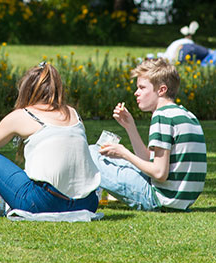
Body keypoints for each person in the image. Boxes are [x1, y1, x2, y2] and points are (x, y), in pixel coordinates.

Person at [0, 62, 101, 215]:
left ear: (26, 89)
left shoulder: (24, 115)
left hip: (44, 202)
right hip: (88, 203)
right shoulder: (73, 113)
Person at [89, 58, 207, 211]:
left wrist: (124, 152)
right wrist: (130, 126)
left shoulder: (162, 116)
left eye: (142, 87)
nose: (136, 93)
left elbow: (159, 173)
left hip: (160, 199)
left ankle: (81, 197)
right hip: (180, 200)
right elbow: (149, 160)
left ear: (161, 90)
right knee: (100, 155)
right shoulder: (186, 115)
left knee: (91, 152)